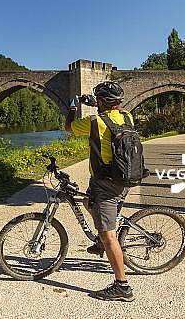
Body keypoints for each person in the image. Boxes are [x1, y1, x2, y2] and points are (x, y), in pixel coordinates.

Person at [64, 80, 135, 302]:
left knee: (108, 235)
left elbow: (68, 128)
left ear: (102, 102)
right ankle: (101, 239)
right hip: (124, 177)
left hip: (105, 182)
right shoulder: (127, 117)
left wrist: (73, 108)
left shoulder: (94, 122)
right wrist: (99, 104)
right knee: (89, 201)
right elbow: (110, 117)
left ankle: (122, 286)